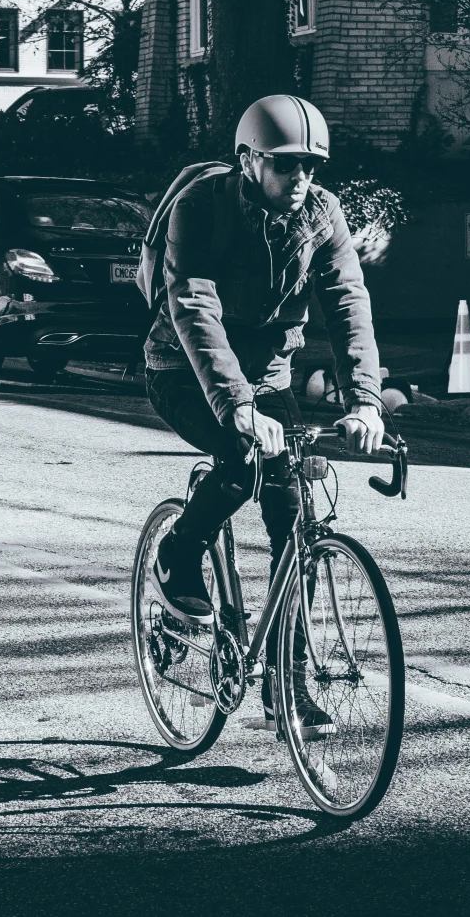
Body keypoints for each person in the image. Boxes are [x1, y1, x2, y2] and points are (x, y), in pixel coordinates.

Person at [138, 93, 387, 730]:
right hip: (184, 371)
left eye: (310, 165)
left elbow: (348, 305)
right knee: (244, 457)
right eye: (285, 165)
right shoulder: (201, 207)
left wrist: (365, 400)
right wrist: (238, 406)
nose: (301, 178)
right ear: (249, 161)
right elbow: (193, 307)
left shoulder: (322, 215)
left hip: (268, 373)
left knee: (293, 517)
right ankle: (178, 554)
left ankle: (288, 681)